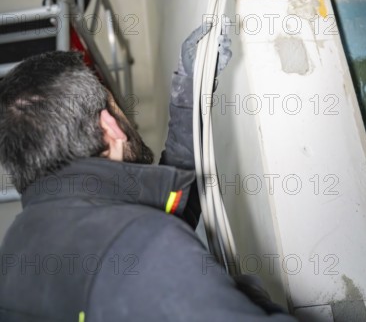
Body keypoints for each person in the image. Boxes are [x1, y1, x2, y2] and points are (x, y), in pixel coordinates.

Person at [0, 23, 296, 321]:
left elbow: (159, 208)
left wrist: (192, 87)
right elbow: (146, 237)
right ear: (109, 127)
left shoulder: (14, 258)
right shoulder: (145, 247)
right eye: (117, 108)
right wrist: (252, 303)